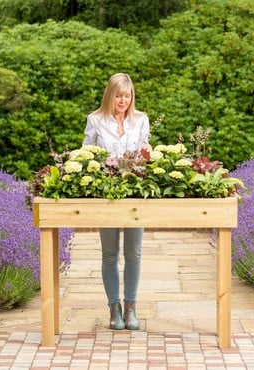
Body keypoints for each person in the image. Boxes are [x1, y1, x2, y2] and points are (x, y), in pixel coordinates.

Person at [82, 73, 152, 330]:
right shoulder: (96, 120)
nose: (123, 100)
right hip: (106, 195)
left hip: (134, 194)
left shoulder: (141, 120)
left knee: (134, 252)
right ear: (109, 95)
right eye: (118, 95)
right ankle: (114, 308)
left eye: (127, 95)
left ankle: (131, 307)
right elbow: (85, 154)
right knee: (110, 253)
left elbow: (146, 155)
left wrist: (147, 155)